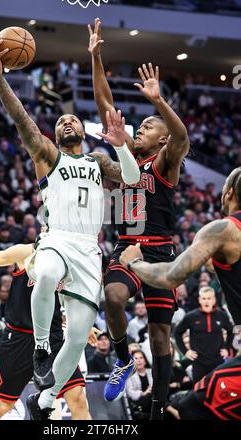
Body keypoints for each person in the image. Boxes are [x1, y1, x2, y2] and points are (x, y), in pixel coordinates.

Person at [0, 36, 140, 420]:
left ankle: (49, 391)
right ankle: (41, 346)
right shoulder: (47, 155)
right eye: (60, 121)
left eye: (72, 118)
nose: (68, 120)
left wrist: (122, 144)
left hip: (90, 249)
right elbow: (22, 117)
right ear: (54, 136)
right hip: (56, 239)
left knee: (75, 338)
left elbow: (132, 177)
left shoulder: (97, 160)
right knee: (46, 276)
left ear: (81, 130)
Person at [89, 18, 190, 419]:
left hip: (162, 252)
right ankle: (121, 358)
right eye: (142, 124)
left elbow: (181, 139)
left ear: (162, 138)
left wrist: (160, 102)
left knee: (160, 335)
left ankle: (159, 405)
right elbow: (104, 104)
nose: (142, 127)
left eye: (149, 125)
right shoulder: (127, 156)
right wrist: (96, 57)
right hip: (129, 245)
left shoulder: (166, 161)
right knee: (112, 297)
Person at [119, 167, 241, 418]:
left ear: (228, 194)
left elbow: (170, 276)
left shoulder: (223, 230)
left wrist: (134, 263)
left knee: (183, 410)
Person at [0, 243, 97, 420]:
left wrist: (83, 323)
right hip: (20, 339)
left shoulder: (69, 259)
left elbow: (69, 298)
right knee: (2, 405)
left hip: (53, 339)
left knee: (77, 398)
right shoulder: (27, 252)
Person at [174, 286, 233, 383]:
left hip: (218, 361)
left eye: (209, 298)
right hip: (199, 362)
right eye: (204, 298)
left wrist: (227, 348)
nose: (206, 301)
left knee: (218, 389)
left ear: (214, 299)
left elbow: (231, 331)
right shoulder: (191, 316)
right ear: (199, 300)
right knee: (199, 391)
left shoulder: (222, 315)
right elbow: (177, 333)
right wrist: (185, 351)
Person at [126, 350, 153, 420]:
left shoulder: (151, 372)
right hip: (139, 402)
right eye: (136, 358)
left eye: (141, 358)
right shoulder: (129, 375)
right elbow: (131, 393)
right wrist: (144, 393)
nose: (139, 361)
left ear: (145, 360)